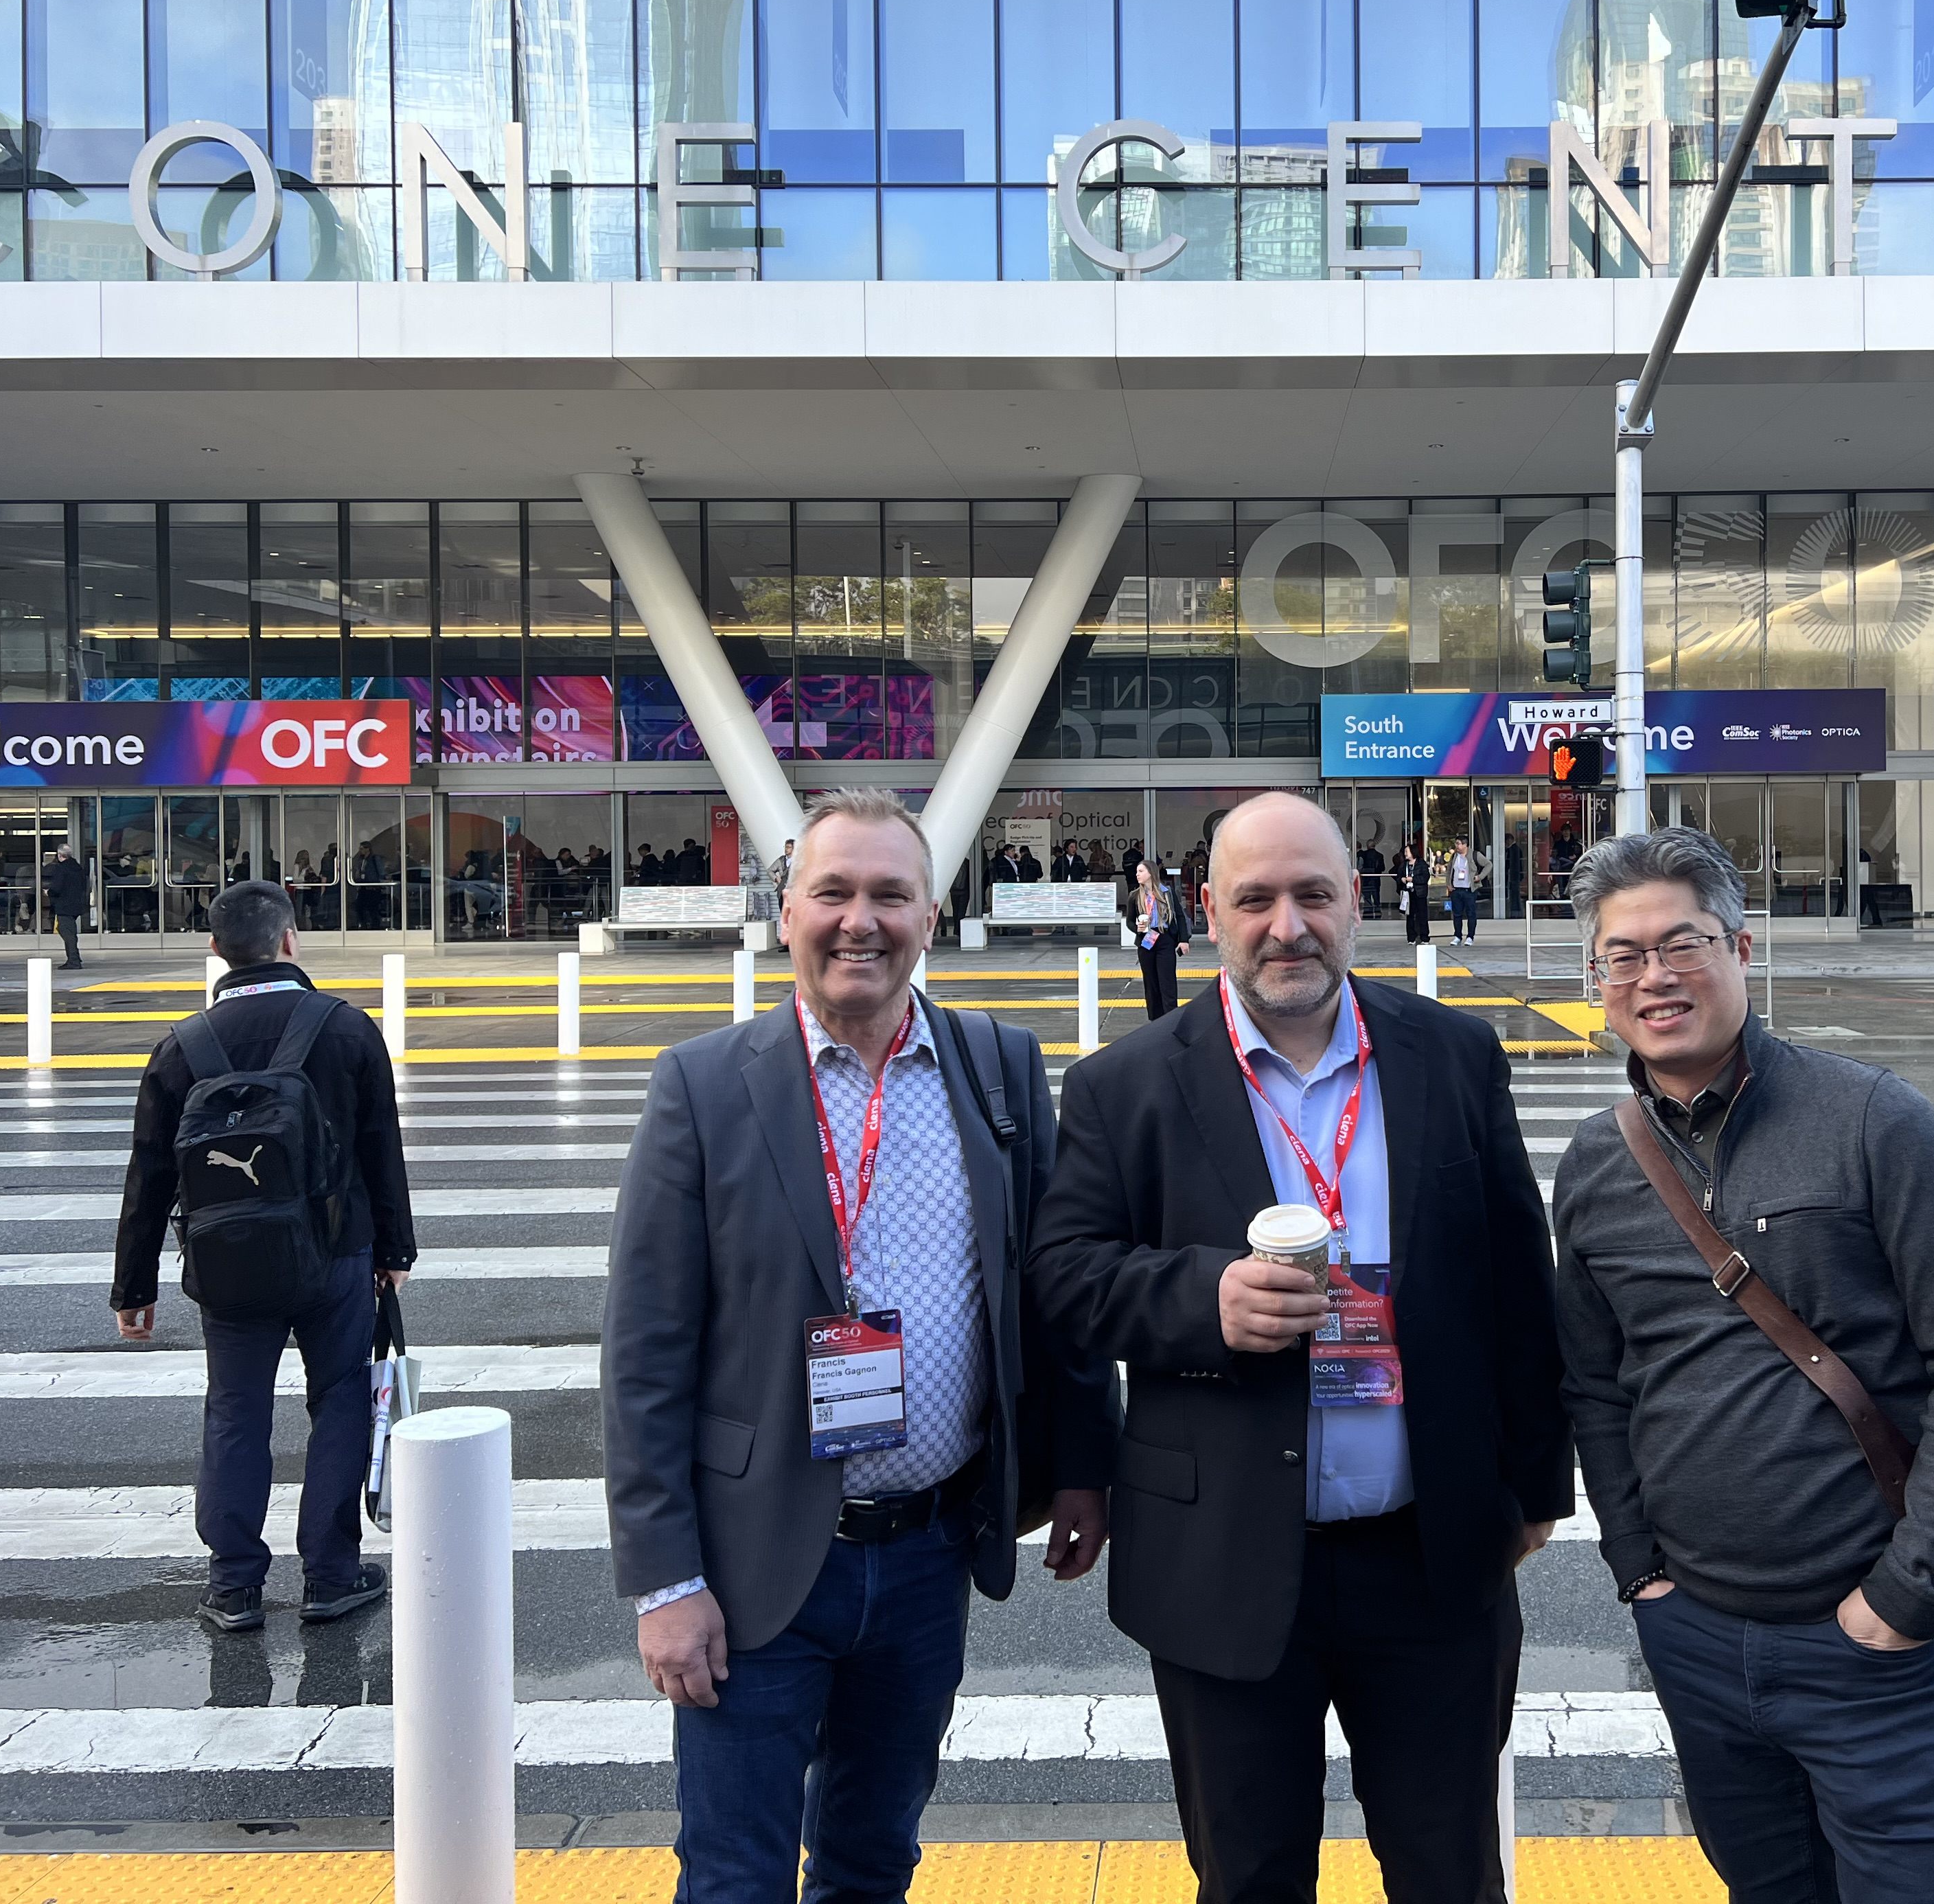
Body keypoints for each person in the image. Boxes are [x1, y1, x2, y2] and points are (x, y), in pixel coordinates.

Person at [1030, 791, 1572, 1904]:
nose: (1287, 924)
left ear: (1355, 902)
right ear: (1206, 912)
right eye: (1256, 898)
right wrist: (1201, 1297)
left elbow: (1521, 1280)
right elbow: (1063, 1276)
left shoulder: (1454, 1057)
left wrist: (1533, 1485)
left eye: (1312, 893)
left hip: (1430, 1559)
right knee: (1249, 1877)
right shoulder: (1124, 1084)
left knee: (1451, 1873)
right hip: (1221, 1558)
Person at [604, 789, 1118, 1901]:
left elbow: (1054, 1289)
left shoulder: (999, 1071)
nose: (860, 919)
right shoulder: (702, 1088)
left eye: (890, 893)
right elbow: (645, 1353)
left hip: (930, 1552)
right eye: (832, 890)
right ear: (785, 910)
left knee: (872, 1858)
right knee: (734, 1872)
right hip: (753, 1563)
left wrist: (1084, 1461)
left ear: (930, 914)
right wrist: (665, 1579)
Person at [1549, 826, 1934, 1901]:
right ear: (1598, 979)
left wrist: (1908, 1592)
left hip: (1880, 1650)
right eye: (1622, 957)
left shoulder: (1873, 1120)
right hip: (1701, 1645)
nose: (1654, 977)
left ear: (1743, 949)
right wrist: (1640, 1568)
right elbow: (1594, 1378)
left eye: (1684, 944)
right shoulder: (1596, 1162)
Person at [108, 879, 415, 1633]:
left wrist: (133, 1286)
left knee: (235, 1410)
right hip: (336, 1254)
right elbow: (382, 1148)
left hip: (226, 1263)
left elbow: (149, 1171)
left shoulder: (182, 1046)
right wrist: (395, 1250)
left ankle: (235, 1585)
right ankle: (331, 1576)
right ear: (290, 940)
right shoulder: (345, 1028)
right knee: (341, 1398)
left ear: (214, 951)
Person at [1128, 857, 1187, 1022]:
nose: (1137, 875)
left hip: (1165, 938)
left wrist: (1184, 940)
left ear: (1151, 873)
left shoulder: (1167, 893)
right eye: (1137, 872)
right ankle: (1155, 1021)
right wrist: (1137, 929)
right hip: (1146, 939)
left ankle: (1171, 1019)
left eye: (1141, 871)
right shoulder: (1135, 896)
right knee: (1151, 982)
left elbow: (1180, 917)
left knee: (1167, 981)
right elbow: (1130, 921)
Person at [42, 845, 89, 969]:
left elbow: (57, 888)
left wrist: (49, 892)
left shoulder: (61, 869)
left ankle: (74, 960)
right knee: (67, 930)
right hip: (76, 904)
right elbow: (84, 885)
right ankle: (75, 957)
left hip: (64, 905)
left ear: (59, 855)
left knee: (67, 933)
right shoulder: (78, 868)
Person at [1445, 838, 1477, 946]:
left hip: (1469, 890)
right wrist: (1449, 884)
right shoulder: (1454, 856)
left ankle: (1470, 937)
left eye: (1458, 844)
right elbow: (1449, 870)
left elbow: (1488, 865)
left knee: (1471, 914)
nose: (1456, 846)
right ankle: (1458, 936)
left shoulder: (1474, 855)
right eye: (1456, 843)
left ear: (1465, 845)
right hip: (1456, 890)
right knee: (1457, 914)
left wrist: (1479, 877)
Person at [1399, 840, 1430, 945]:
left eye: (1407, 851)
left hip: (1419, 893)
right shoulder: (1404, 865)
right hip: (1408, 894)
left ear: (1413, 852)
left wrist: (1412, 879)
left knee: (1422, 916)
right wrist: (1402, 879)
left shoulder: (1421, 864)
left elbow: (1425, 878)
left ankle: (1424, 937)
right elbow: (1398, 877)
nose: (1405, 854)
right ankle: (1411, 938)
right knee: (1410, 916)